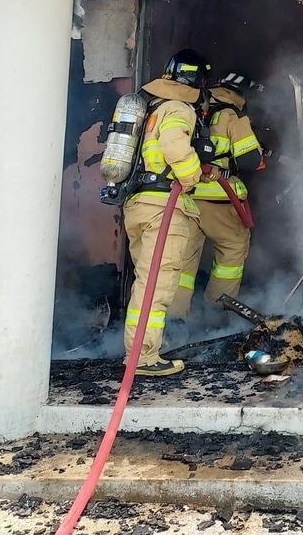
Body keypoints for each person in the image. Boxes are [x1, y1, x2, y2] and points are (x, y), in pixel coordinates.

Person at [120, 49, 210, 377]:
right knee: (156, 283)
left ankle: (139, 349)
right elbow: (174, 147)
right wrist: (192, 175)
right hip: (163, 207)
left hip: (138, 203)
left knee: (145, 280)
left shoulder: (151, 109)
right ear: (199, 82)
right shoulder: (178, 108)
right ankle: (143, 356)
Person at [171, 70, 264, 321]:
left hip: (183, 196)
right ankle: (217, 316)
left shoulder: (188, 107)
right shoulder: (232, 114)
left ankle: (174, 319)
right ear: (241, 94)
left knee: (183, 261)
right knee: (232, 249)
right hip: (217, 199)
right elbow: (249, 160)